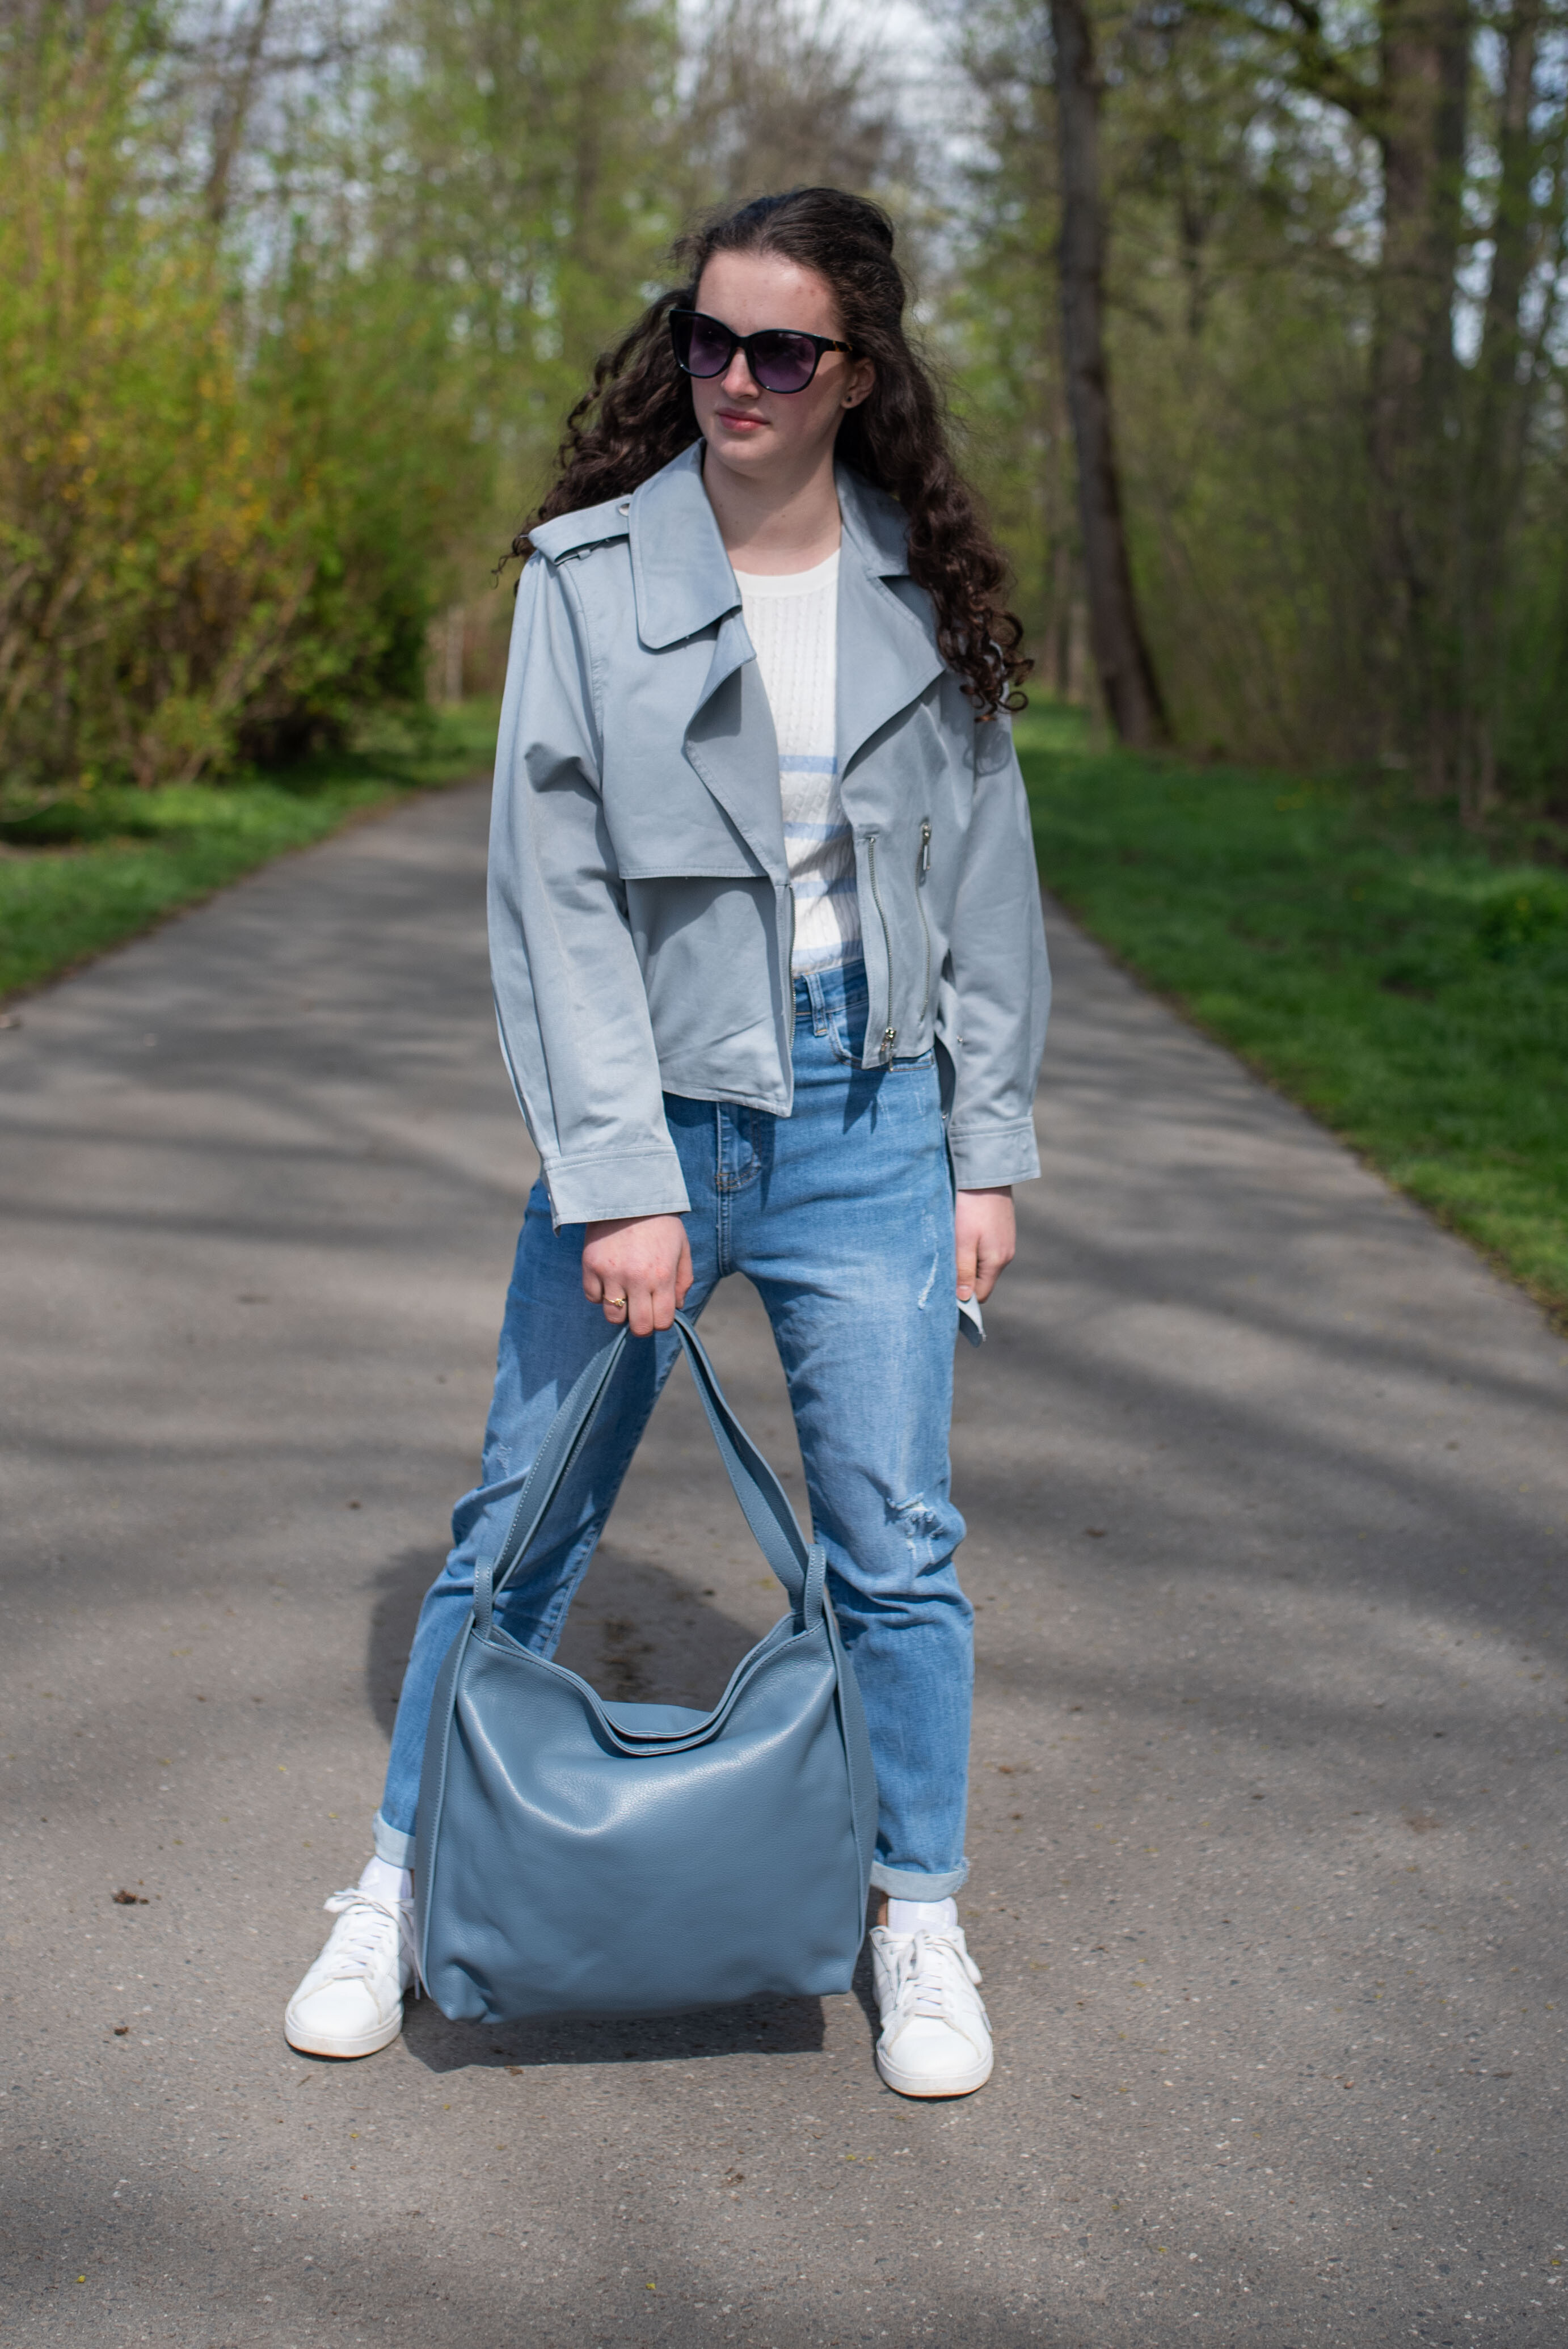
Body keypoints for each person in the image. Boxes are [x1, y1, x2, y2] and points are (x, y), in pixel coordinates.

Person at [284, 187, 1049, 2098]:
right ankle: (397, 1885)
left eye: (781, 348)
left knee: (894, 1547)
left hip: (870, 1118)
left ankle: (916, 1911)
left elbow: (987, 882)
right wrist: (619, 1178)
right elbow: (548, 902)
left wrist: (984, 1146)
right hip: (659, 1117)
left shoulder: (923, 585)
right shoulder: (584, 575)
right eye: (708, 338)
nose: (735, 376)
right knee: (516, 1527)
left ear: (854, 372)